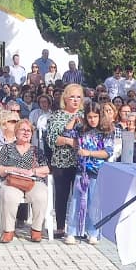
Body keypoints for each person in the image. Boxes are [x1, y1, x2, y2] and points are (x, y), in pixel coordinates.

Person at [0, 118, 49, 242]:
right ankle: (8, 231)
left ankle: (36, 230)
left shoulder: (36, 150)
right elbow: (0, 169)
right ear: (16, 132)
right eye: (22, 130)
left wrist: (33, 171)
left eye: (28, 131)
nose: (26, 133)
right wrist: (15, 169)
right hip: (12, 181)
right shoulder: (7, 148)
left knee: (41, 195)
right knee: (9, 196)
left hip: (32, 181)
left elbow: (46, 169)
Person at [45, 81, 84, 240]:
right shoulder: (56, 116)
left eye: (78, 97)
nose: (75, 100)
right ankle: (60, 227)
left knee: (81, 195)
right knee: (62, 195)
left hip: (81, 162)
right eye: (72, 97)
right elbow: (51, 139)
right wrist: (69, 141)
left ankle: (79, 228)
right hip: (62, 161)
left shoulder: (85, 116)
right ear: (65, 98)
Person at [67, 102, 111, 243]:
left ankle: (93, 232)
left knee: (94, 203)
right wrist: (74, 119)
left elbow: (107, 152)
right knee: (77, 200)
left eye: (95, 117)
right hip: (82, 170)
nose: (92, 120)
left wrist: (89, 153)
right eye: (90, 117)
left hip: (97, 171)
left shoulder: (106, 131)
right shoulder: (81, 129)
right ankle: (72, 231)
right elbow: (66, 133)